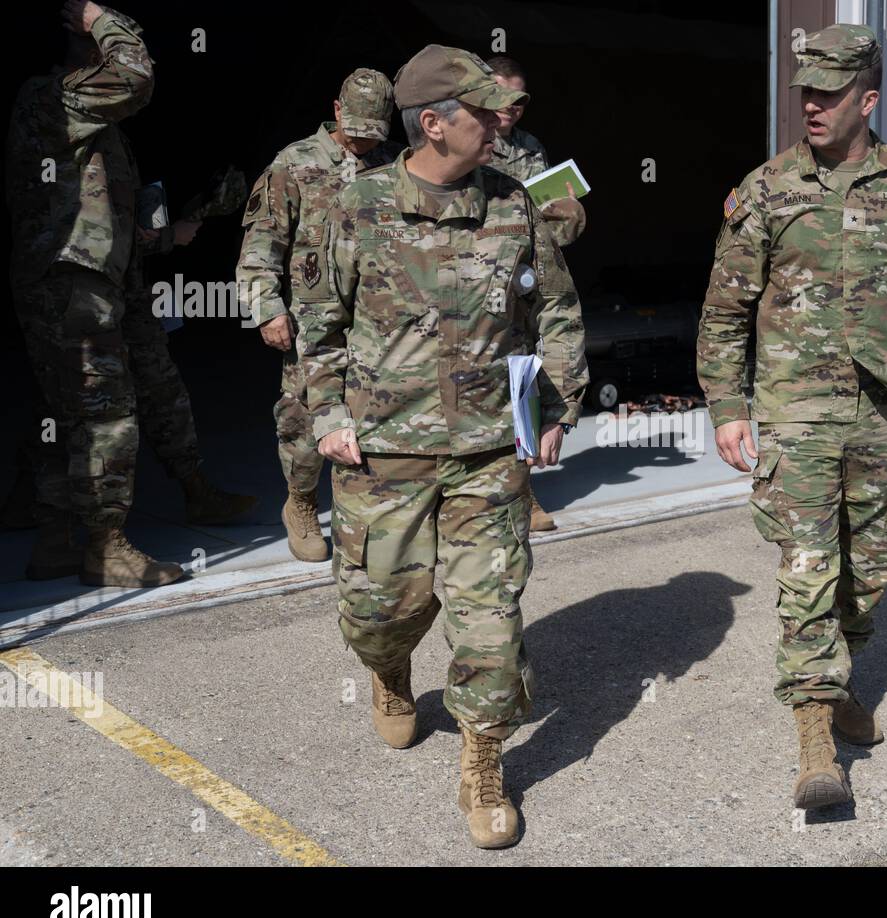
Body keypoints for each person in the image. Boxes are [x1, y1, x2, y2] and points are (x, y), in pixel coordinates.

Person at [696, 24, 887, 809]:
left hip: (884, 412)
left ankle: (839, 684)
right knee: (807, 572)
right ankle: (814, 741)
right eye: (806, 92)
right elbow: (725, 310)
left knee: (868, 573)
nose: (813, 107)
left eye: (830, 94)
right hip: (795, 411)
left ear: (868, 99)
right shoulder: (765, 189)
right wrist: (728, 405)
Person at [297, 45, 587, 849]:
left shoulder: (514, 205)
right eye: (483, 110)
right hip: (383, 454)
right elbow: (319, 324)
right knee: (378, 613)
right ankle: (391, 673)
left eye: (501, 109)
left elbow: (556, 311)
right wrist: (327, 415)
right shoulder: (358, 206)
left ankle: (484, 762)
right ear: (432, 123)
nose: (501, 122)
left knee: (490, 621)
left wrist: (556, 405)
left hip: (489, 455)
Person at [6, 0, 255, 588]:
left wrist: (161, 234)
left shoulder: (92, 127)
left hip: (93, 281)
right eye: (112, 44)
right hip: (71, 283)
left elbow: (100, 219)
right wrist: (98, 17)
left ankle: (59, 543)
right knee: (104, 414)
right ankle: (104, 546)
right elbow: (136, 75)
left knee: (72, 411)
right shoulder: (52, 95)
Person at [237, 69, 399, 562]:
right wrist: (267, 308)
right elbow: (261, 245)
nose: (364, 140)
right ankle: (301, 502)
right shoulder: (295, 164)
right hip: (313, 316)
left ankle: (370, 508)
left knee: (379, 411)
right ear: (335, 110)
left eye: (375, 131)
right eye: (356, 128)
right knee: (304, 418)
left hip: (379, 315)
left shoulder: (394, 164)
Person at [484, 55, 586, 533]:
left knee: (521, 378)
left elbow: (546, 211)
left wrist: (563, 216)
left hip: (523, 281)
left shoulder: (529, 147)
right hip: (477, 276)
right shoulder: (466, 143)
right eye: (507, 97)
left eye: (522, 100)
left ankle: (523, 491)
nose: (515, 108)